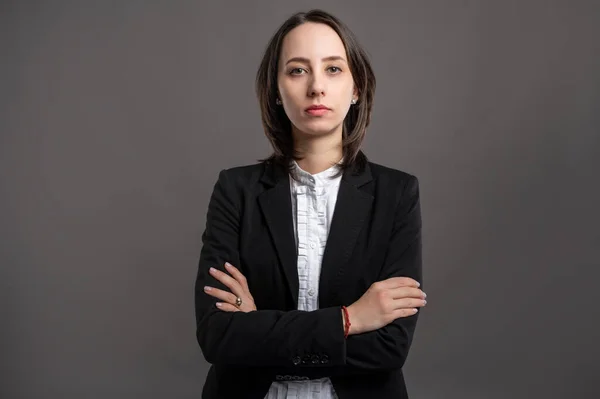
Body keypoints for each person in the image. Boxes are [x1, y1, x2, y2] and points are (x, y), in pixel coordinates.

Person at [194, 9, 426, 399]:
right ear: (275, 89)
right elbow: (219, 338)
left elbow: (390, 348)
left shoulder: (397, 193)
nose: (316, 87)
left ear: (356, 88)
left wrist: (260, 330)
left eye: (333, 69)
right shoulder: (235, 189)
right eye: (297, 70)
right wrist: (350, 320)